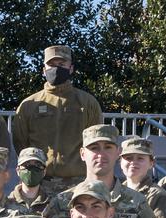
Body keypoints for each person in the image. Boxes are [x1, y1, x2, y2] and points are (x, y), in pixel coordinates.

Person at [43, 126, 157, 218]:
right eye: (94, 148)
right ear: (82, 153)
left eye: (108, 147)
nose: (101, 154)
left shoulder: (137, 203)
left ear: (118, 153)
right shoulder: (61, 203)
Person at [11, 46, 103, 193]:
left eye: (61, 65)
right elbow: (21, 142)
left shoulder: (87, 103)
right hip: (39, 182)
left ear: (71, 68)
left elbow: (96, 143)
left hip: (78, 183)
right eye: (52, 64)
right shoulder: (29, 105)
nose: (56, 68)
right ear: (43, 70)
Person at [118, 136, 166, 218]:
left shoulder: (158, 196)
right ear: (120, 162)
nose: (133, 162)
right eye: (128, 158)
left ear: (151, 163)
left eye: (140, 158)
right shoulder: (114, 194)